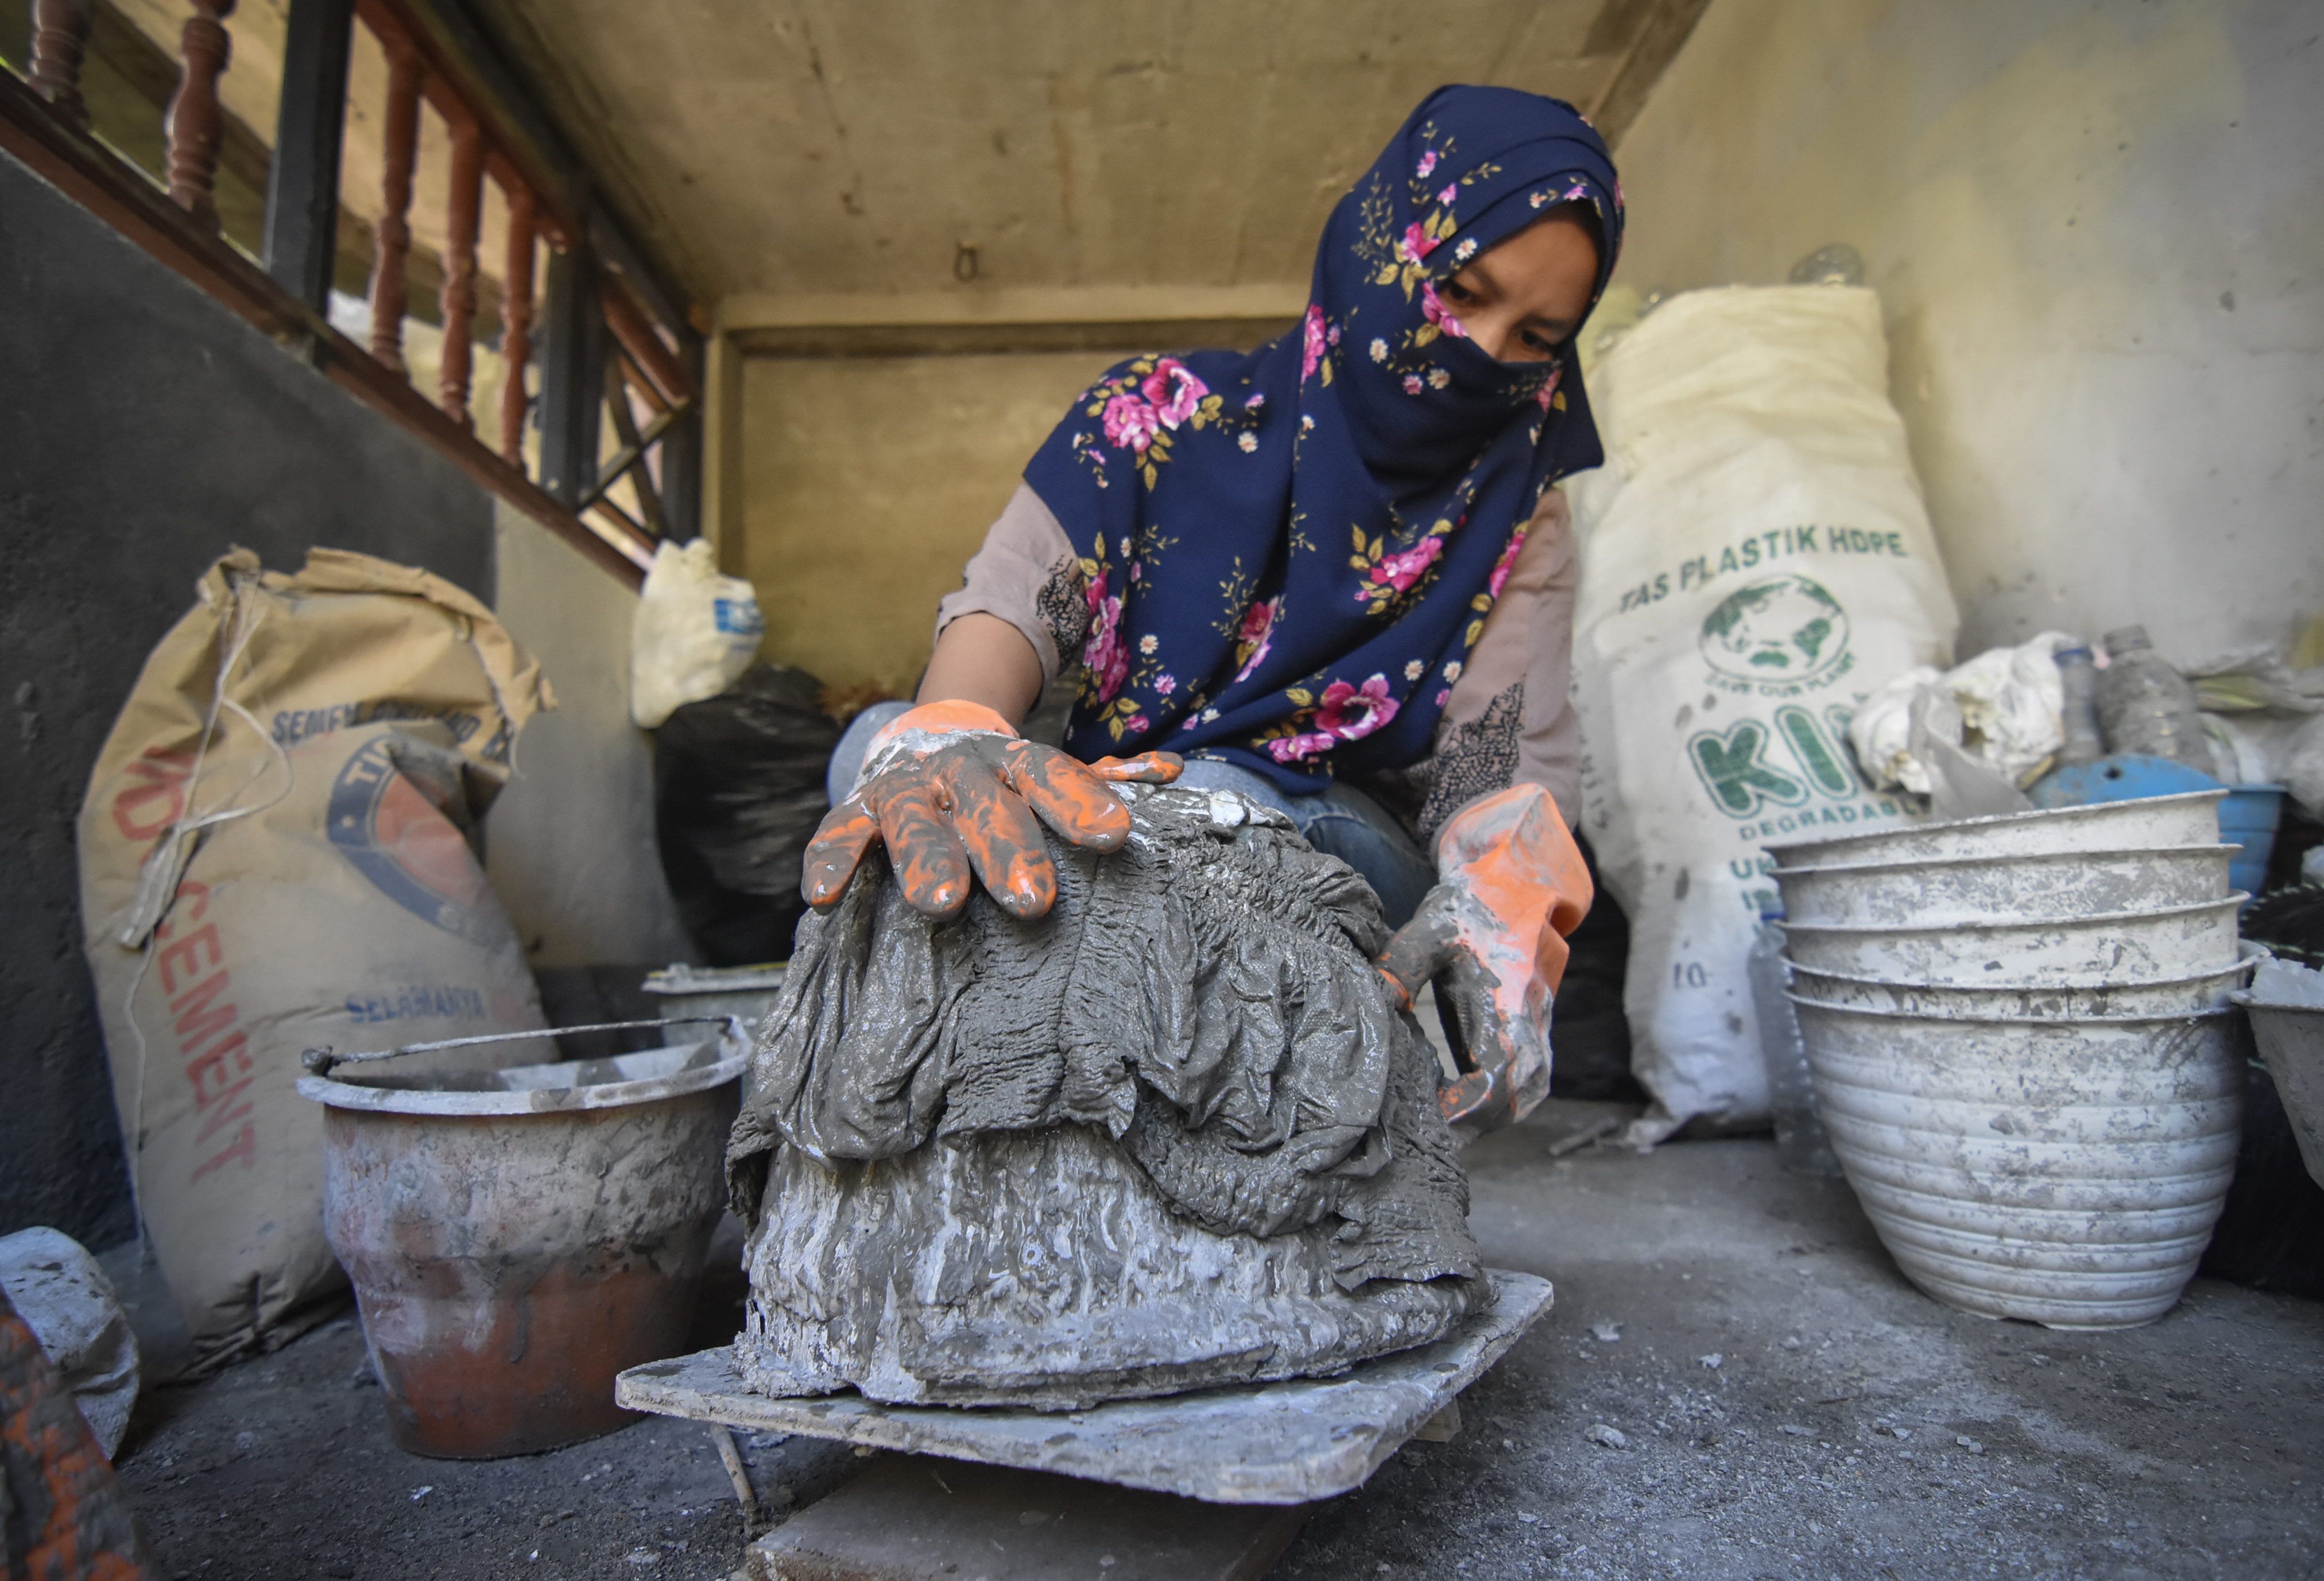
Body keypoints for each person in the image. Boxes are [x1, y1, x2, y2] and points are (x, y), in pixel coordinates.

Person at [803, 85, 1620, 1132]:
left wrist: (1505, 902)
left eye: (1537, 336)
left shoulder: (1517, 506)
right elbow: (1019, 601)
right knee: (877, 753)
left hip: (1331, 841)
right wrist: (950, 734)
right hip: (1119, 800)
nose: (1483, 354)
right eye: (1462, 290)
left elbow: (1495, 756)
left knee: (1221, 805)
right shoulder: (1157, 421)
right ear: (1382, 247)